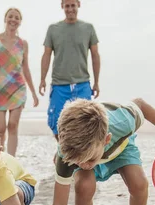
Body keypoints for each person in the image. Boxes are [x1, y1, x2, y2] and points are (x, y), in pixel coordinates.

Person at [39, 0, 100, 140]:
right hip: (59, 84)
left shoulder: (88, 28)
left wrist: (96, 82)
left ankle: (79, 157)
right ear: (62, 6)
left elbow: (95, 55)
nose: (70, 9)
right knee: (56, 123)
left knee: (85, 124)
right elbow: (46, 55)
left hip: (82, 83)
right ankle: (63, 151)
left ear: (78, 5)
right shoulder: (53, 29)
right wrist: (42, 79)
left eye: (73, 5)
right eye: (67, 6)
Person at [0, 7, 39, 156]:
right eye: (11, 16)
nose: (13, 20)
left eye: (17, 18)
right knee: (0, 128)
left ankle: (12, 159)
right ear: (5, 19)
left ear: (20, 22)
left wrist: (33, 93)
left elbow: (25, 68)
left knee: (13, 125)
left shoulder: (23, 44)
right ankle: (0, 157)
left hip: (18, 88)